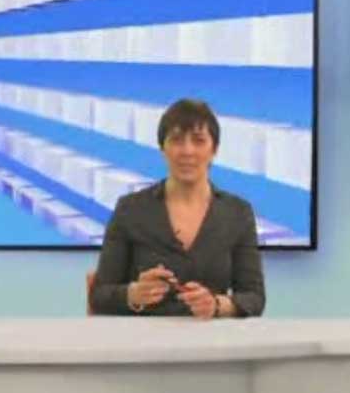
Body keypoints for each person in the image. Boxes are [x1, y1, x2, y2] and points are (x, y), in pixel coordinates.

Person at [90, 98, 265, 318]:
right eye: (176, 140)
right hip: (144, 335)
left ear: (214, 150)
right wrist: (133, 294)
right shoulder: (130, 209)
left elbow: (254, 297)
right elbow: (99, 295)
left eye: (198, 141)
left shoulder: (238, 213)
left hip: (211, 335)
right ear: (162, 148)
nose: (187, 151)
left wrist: (217, 305)